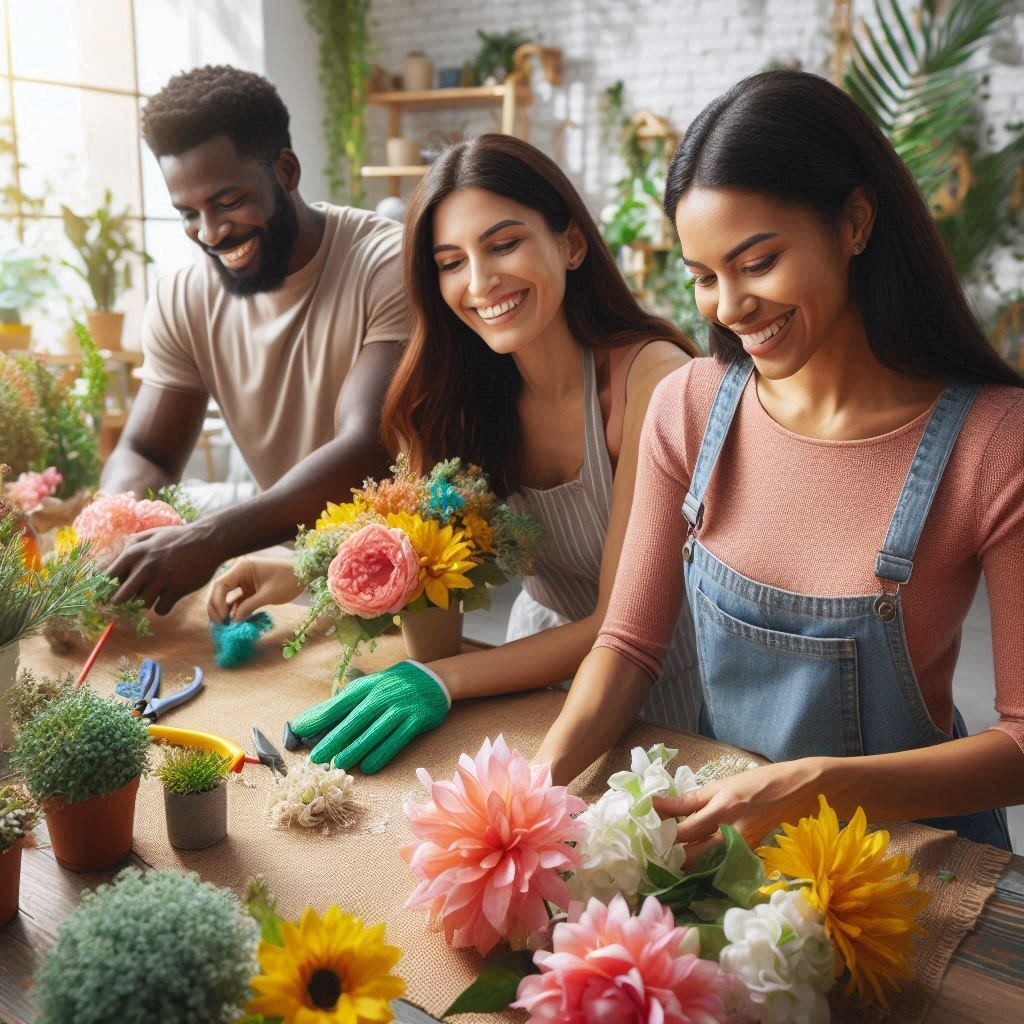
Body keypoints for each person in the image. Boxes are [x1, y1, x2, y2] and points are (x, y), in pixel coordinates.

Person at [534, 69, 1024, 853]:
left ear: (855, 221)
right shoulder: (689, 408)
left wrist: (819, 786)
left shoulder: (994, 441)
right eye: (702, 278)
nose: (728, 309)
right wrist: (538, 789)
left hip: (914, 865)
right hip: (729, 851)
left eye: (757, 263)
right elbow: (626, 647)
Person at [210, 134, 703, 770]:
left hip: (659, 686)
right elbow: (416, 545)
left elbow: (619, 624)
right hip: (528, 673)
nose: (479, 281)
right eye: (450, 262)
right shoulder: (466, 391)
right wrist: (307, 578)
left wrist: (446, 679)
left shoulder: (652, 381)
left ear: (572, 244)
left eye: (503, 244)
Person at [102, 66, 407, 613]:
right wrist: (116, 533)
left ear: (285, 170)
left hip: (408, 583)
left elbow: (369, 445)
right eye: (188, 213)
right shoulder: (183, 296)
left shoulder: (386, 262)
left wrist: (210, 538)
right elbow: (146, 450)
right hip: (280, 581)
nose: (211, 233)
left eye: (227, 201)